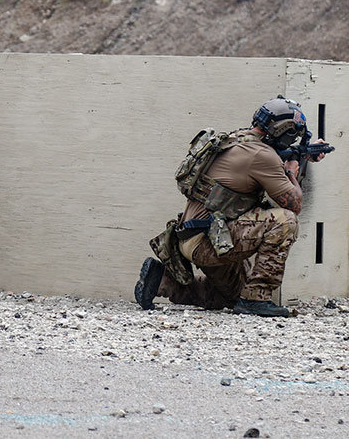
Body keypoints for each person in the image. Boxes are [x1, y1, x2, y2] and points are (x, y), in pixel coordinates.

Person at [135, 97, 328, 317]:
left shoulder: (236, 139)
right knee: (285, 221)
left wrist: (299, 157)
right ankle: (257, 299)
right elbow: (294, 203)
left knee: (231, 298)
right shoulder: (263, 156)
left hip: (195, 237)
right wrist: (292, 169)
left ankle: (165, 283)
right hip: (211, 243)